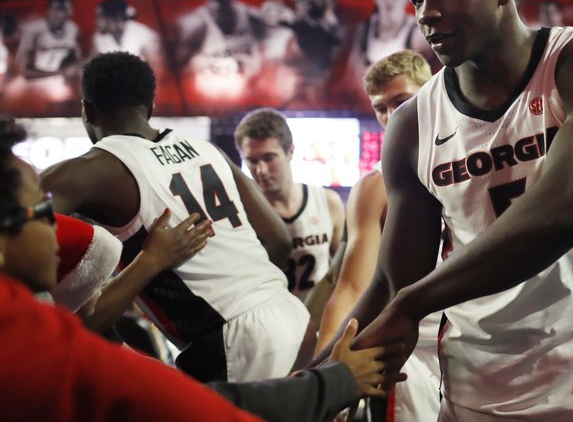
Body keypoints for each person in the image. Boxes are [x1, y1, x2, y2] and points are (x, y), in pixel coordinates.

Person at [315, 0, 573, 421]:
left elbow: (566, 210)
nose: (426, 12)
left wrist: (411, 303)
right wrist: (313, 381)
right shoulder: (411, 125)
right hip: (475, 398)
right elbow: (391, 282)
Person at [0, 116, 405, 422]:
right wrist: (333, 378)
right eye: (41, 210)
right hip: (286, 313)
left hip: (242, 333)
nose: (56, 224)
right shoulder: (199, 150)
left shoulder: (329, 202)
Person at [40, 51, 311, 384]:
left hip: (236, 342)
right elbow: (279, 240)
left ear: (87, 109)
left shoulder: (90, 170)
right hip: (294, 318)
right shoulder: (206, 148)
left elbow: (16, 220)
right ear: (150, 108)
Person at [317, 50, 441, 422]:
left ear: (431, 90)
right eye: (380, 108)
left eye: (401, 101)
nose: (391, 116)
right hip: (412, 352)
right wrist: (325, 374)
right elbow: (352, 286)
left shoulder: (476, 153)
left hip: (485, 338)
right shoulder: (374, 185)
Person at [234, 108, 345, 333]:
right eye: (252, 161)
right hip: (270, 330)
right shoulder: (241, 215)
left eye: (269, 157)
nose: (261, 170)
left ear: (290, 151)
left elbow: (343, 273)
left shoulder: (327, 202)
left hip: (320, 325)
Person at [261, 0, 342, 108]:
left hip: (313, 111)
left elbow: (318, 34)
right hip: (290, 110)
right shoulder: (302, 27)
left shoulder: (328, 29)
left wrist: (292, 21)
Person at [5, 0, 82, 113]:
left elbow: (77, 59)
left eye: (65, 9)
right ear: (49, 10)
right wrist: (61, 72)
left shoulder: (73, 28)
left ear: (71, 11)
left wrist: (73, 69)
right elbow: (26, 72)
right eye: (57, 9)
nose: (61, 14)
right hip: (31, 88)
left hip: (57, 87)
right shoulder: (34, 30)